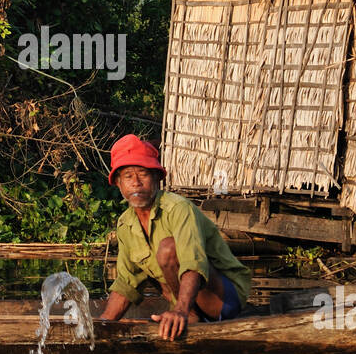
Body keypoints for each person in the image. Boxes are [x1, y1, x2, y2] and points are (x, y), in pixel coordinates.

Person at [99, 134, 251, 340]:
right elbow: (127, 283)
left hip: (224, 300)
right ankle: (186, 314)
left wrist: (180, 311)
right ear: (118, 184)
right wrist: (103, 325)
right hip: (185, 302)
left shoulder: (178, 208)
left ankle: (187, 315)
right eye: (127, 176)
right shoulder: (125, 224)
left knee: (168, 249)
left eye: (142, 174)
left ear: (156, 179)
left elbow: (193, 264)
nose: (136, 183)